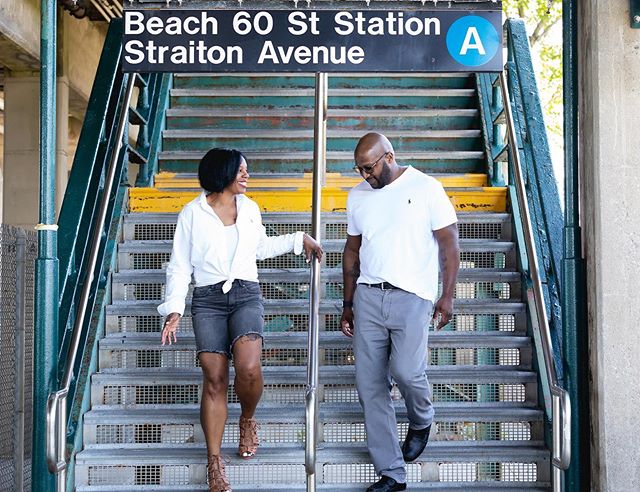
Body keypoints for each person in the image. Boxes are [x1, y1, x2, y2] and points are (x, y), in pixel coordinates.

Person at [158, 148, 323, 492]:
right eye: (242, 171)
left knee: (248, 367)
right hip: (207, 299)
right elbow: (179, 265)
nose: (247, 176)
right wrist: (174, 309)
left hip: (246, 292)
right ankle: (214, 463)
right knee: (214, 378)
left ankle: (247, 419)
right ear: (223, 174)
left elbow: (258, 248)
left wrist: (297, 240)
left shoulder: (249, 209)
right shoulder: (192, 213)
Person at [340, 133, 460, 492]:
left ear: (389, 156)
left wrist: (448, 295)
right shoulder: (358, 196)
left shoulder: (426, 188)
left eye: (369, 167)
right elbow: (351, 251)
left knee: (408, 372)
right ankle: (392, 472)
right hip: (368, 297)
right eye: (359, 169)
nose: (364, 176)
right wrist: (348, 304)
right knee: (370, 386)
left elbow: (449, 243)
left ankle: (422, 418)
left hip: (413, 297)